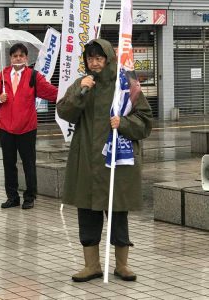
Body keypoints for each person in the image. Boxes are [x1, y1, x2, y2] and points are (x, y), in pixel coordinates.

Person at [57, 39, 153, 282]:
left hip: (116, 161)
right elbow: (64, 112)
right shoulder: (82, 83)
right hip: (86, 159)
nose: (94, 63)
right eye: (90, 58)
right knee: (87, 212)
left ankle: (122, 265)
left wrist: (125, 123)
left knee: (118, 212)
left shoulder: (126, 84)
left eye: (99, 58)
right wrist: (81, 93)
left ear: (108, 58)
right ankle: (92, 266)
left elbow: (145, 120)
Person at [0, 43, 58, 210]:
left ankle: (30, 196)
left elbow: (51, 92)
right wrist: (0, 98)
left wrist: (70, 91)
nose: (18, 58)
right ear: (10, 58)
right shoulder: (3, 76)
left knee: (29, 163)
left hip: (27, 128)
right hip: (6, 128)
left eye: (21, 55)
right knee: (8, 164)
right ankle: (12, 197)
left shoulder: (33, 76)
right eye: (15, 56)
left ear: (26, 58)